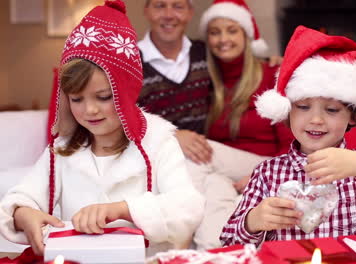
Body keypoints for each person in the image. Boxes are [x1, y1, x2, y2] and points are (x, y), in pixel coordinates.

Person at [0, 0, 203, 257]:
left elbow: (188, 208)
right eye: (77, 99)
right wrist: (22, 213)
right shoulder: (61, 149)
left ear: (126, 93)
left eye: (104, 97)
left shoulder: (158, 141)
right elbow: (19, 198)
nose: (90, 110)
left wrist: (122, 209)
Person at [220, 26, 356, 246]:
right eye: (303, 107)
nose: (316, 120)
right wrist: (252, 222)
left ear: (352, 115)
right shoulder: (268, 173)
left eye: (331, 110)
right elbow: (229, 242)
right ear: (287, 111)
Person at [191, 0, 295, 250]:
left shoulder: (271, 73)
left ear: (246, 35)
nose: (222, 39)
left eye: (232, 30)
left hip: (267, 163)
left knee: (195, 155)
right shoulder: (207, 81)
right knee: (214, 188)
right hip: (226, 171)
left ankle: (177, 215)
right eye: (215, 32)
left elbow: (292, 139)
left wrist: (262, 176)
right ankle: (218, 253)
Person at [137, 0, 281, 165]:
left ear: (190, 12)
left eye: (178, 6)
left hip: (211, 159)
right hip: (165, 157)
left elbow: (241, 64)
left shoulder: (201, 55)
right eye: (160, 6)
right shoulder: (129, 63)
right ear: (146, 10)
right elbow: (121, 121)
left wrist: (277, 64)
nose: (169, 15)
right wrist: (170, 137)